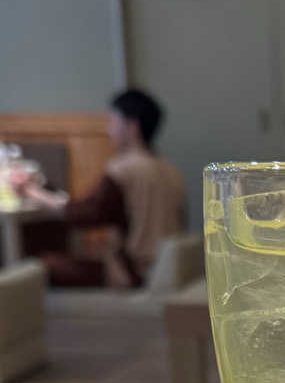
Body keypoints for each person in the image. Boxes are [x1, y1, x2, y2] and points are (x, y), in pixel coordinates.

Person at [18, 88, 185, 288]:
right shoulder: (170, 170)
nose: (109, 130)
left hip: (132, 272)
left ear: (131, 126)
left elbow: (85, 214)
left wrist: (32, 192)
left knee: (36, 267)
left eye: (113, 122)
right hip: (162, 269)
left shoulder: (125, 170)